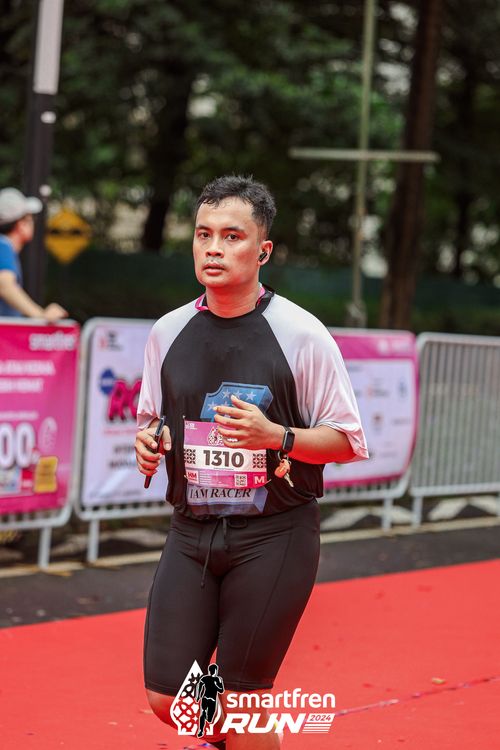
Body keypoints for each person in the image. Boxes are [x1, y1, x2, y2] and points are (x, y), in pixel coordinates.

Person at [135, 174, 369, 749]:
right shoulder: (168, 331)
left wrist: (276, 436)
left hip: (275, 535)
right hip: (191, 531)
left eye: (231, 236)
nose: (214, 249)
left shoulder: (301, 334)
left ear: (262, 251)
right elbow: (153, 421)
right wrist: (149, 443)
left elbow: (346, 440)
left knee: (243, 698)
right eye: (203, 235)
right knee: (169, 698)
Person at [0, 187, 68, 320]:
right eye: (30, 218)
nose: (33, 223)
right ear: (21, 224)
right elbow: (4, 285)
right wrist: (40, 315)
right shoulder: (3, 246)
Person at [196, 663, 225, 738]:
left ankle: (207, 719)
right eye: (212, 670)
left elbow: (221, 690)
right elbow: (200, 686)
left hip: (213, 700)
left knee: (210, 718)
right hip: (205, 698)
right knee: (203, 713)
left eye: (214, 670)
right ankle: (201, 730)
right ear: (210, 671)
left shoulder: (218, 679)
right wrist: (198, 696)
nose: (213, 671)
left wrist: (216, 685)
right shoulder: (205, 678)